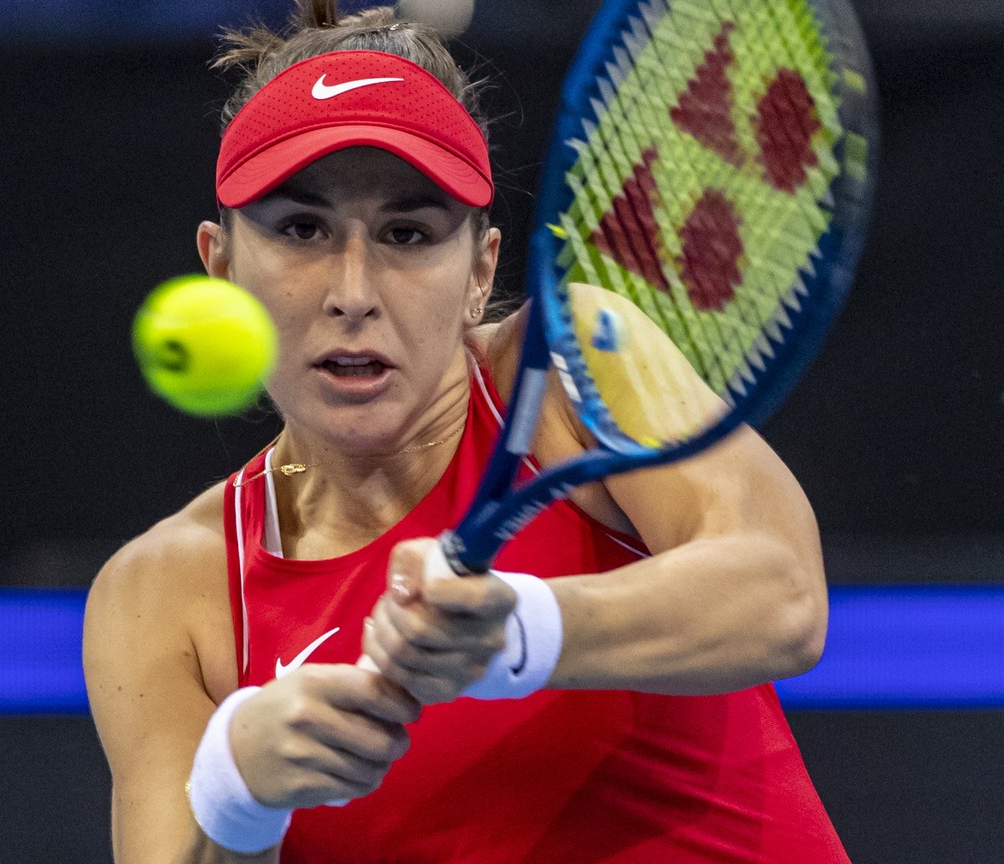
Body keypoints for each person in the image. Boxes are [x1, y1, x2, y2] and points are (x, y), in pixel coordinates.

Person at [84, 2, 850, 861]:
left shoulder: (570, 368)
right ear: (221, 266)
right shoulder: (160, 595)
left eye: (407, 234)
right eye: (302, 229)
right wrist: (237, 790)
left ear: (482, 271)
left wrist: (525, 629)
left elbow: (783, 594)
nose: (354, 291)